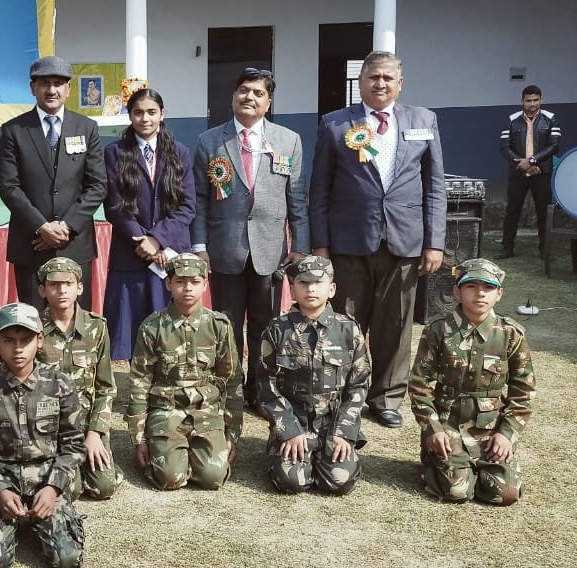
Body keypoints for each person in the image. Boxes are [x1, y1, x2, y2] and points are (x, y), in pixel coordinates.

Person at [310, 50, 446, 429]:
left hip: (405, 241)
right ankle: (341, 394)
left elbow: (435, 186)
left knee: (396, 324)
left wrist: (434, 242)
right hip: (349, 242)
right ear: (361, 82)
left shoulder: (424, 121)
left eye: (388, 78)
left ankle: (386, 398)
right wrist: (320, 245)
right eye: (373, 77)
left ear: (400, 83)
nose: (380, 83)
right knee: (345, 323)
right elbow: (319, 189)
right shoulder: (335, 123)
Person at [192, 67, 308, 421]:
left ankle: (259, 390)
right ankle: (229, 390)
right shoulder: (209, 141)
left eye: (258, 93)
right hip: (224, 249)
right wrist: (199, 246)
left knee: (264, 325)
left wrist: (300, 245)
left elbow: (297, 199)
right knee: (226, 326)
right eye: (244, 90)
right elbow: (199, 200)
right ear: (233, 96)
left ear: (268, 102)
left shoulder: (288, 140)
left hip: (270, 251)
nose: (249, 97)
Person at [0, 302, 86, 568]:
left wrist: (53, 488)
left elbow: (73, 445)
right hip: (1, 477)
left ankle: (51, 516)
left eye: (26, 340)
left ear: (39, 340)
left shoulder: (59, 384)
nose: (17, 348)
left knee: (67, 559)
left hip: (47, 478)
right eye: (9, 340)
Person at [409, 259, 535, 505]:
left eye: (488, 287)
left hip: (490, 430)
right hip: (448, 426)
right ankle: (438, 462)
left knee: (505, 494)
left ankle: (476, 468)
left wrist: (506, 434)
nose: (480, 293)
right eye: (471, 286)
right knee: (457, 491)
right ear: (457, 292)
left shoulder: (511, 334)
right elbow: (419, 385)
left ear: (499, 294)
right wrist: (433, 429)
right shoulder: (438, 330)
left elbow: (523, 391)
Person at [0, 55, 107, 309]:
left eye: (58, 83)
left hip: (75, 244)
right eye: (44, 83)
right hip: (31, 245)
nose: (51, 90)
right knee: (33, 322)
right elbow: (9, 187)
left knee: (77, 322)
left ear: (69, 88)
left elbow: (98, 185)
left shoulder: (87, 127)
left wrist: (66, 226)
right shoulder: (14, 130)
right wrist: (42, 227)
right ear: (32, 87)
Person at [257, 256, 371, 495]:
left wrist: (343, 432)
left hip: (333, 425)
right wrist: (289, 430)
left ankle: (328, 457)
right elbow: (265, 384)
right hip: (295, 423)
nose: (310, 289)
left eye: (318, 282)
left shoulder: (349, 330)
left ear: (332, 289)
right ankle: (292, 457)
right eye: (303, 283)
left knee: (339, 481)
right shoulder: (278, 329)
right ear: (292, 290)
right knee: (292, 482)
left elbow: (358, 386)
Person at [128, 253, 240, 490]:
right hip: (166, 410)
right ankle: (171, 455)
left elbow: (231, 381)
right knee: (170, 478)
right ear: (168, 283)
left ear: (205, 284)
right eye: (180, 281)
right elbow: (139, 383)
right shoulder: (152, 327)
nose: (187, 288)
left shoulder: (219, 325)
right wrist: (139, 439)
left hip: (206, 411)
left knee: (212, 477)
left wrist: (231, 435)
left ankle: (194, 456)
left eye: (195, 282)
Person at [103, 88, 197, 361]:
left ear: (162, 114)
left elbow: (188, 205)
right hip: (130, 253)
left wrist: (158, 240)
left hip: (170, 254)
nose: (145, 118)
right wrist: (142, 239)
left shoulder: (180, 153)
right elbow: (114, 205)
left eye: (151, 112)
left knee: (171, 334)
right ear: (130, 115)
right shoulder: (114, 152)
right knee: (130, 335)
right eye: (138, 112)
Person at [36, 257, 120, 500]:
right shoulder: (32, 328)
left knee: (104, 488)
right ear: (42, 290)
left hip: (86, 424)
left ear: (80, 288)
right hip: (49, 425)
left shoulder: (97, 327)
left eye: (68, 284)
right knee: (68, 491)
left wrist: (95, 432)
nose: (62, 290)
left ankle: (100, 461)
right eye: (54, 284)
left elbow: (106, 387)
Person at [497, 85, 560, 260]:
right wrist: (521, 163)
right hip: (518, 172)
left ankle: (545, 250)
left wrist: (532, 161)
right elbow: (504, 147)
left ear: (541, 99)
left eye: (536, 100)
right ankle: (507, 248)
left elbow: (554, 146)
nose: (532, 104)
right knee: (512, 211)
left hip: (541, 172)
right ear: (522, 101)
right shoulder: (512, 120)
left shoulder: (551, 119)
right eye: (528, 100)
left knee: (544, 212)